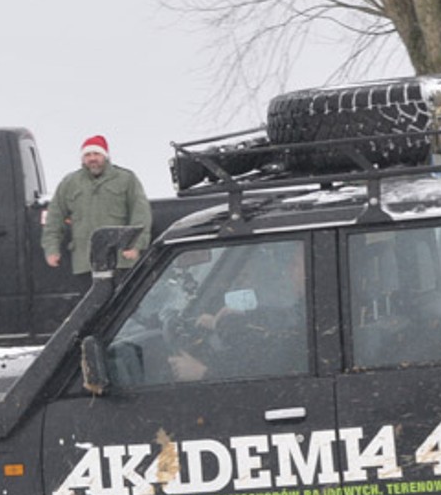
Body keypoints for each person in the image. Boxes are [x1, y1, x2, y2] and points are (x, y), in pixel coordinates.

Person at [168, 243, 308, 382]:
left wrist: (203, 374)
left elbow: (265, 376)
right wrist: (223, 322)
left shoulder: (304, 325)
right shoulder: (305, 311)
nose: (290, 270)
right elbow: (280, 320)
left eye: (296, 265)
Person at [42, 135, 153, 276]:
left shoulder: (126, 179)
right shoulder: (69, 183)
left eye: (96, 154)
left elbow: (141, 215)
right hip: (85, 263)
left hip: (120, 261)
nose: (92, 158)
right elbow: (54, 218)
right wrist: (52, 249)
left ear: (105, 156)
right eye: (87, 155)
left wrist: (136, 246)